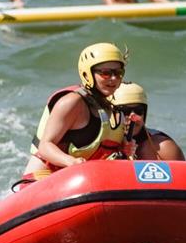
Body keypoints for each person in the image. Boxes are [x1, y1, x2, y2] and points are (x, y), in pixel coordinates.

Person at [17, 43, 139, 187]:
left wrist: (124, 149)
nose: (113, 79)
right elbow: (45, 146)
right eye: (106, 73)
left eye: (118, 73)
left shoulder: (111, 111)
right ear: (88, 74)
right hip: (41, 180)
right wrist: (73, 162)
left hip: (80, 182)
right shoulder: (72, 102)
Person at [110, 82, 186, 161]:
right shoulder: (99, 143)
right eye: (125, 111)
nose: (133, 116)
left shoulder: (163, 148)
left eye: (138, 110)